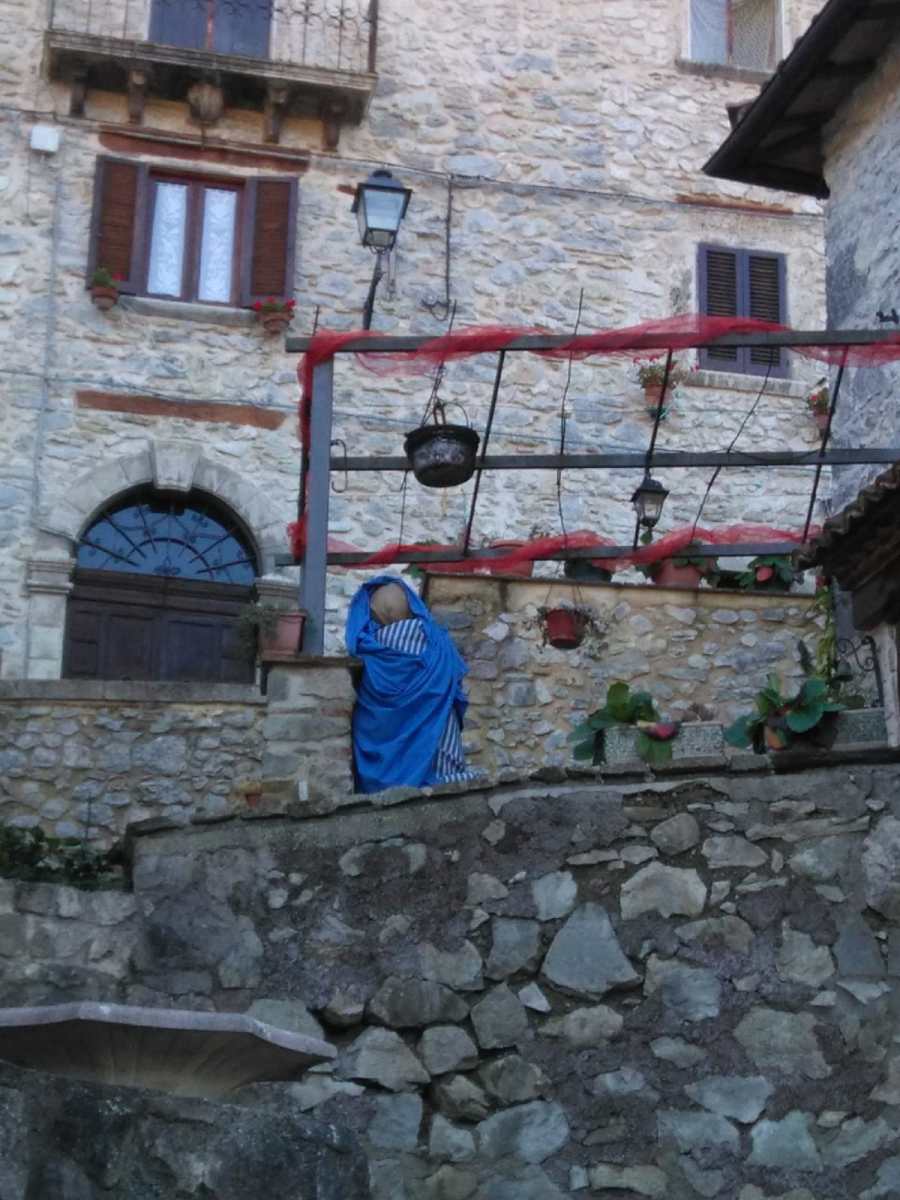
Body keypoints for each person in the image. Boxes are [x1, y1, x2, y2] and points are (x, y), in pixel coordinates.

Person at [345, 575, 477, 794]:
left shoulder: (370, 649)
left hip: (381, 772)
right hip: (440, 760)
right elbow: (455, 684)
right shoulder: (439, 643)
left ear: (375, 613)